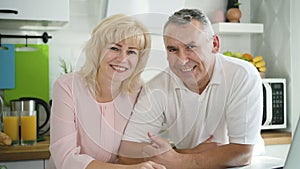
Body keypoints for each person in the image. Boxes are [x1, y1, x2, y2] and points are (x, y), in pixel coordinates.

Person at [118, 8, 263, 168]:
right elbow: (127, 152)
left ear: (214, 44)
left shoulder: (242, 75)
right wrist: (186, 153)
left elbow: (242, 153)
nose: (182, 60)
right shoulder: (157, 87)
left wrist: (177, 160)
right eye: (173, 49)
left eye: (191, 47)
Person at [47, 14, 166, 169]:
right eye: (114, 48)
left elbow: (135, 146)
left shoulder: (139, 91)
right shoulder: (67, 86)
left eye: (131, 52)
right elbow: (66, 158)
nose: (122, 58)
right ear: (97, 50)